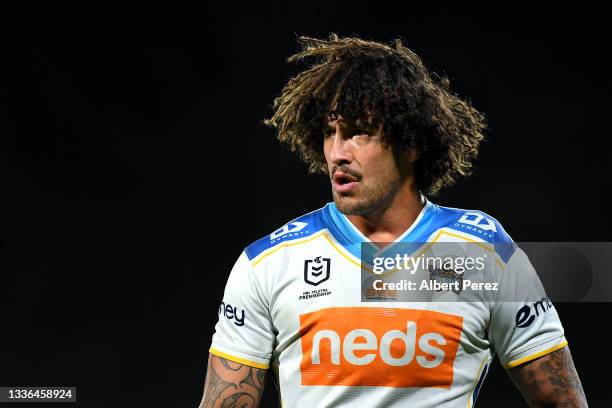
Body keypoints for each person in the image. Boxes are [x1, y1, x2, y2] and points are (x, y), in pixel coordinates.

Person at [198, 34, 587, 407]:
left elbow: (559, 400)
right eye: (330, 133)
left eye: (358, 133)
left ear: (411, 142)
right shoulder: (268, 262)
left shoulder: (484, 254)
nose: (337, 153)